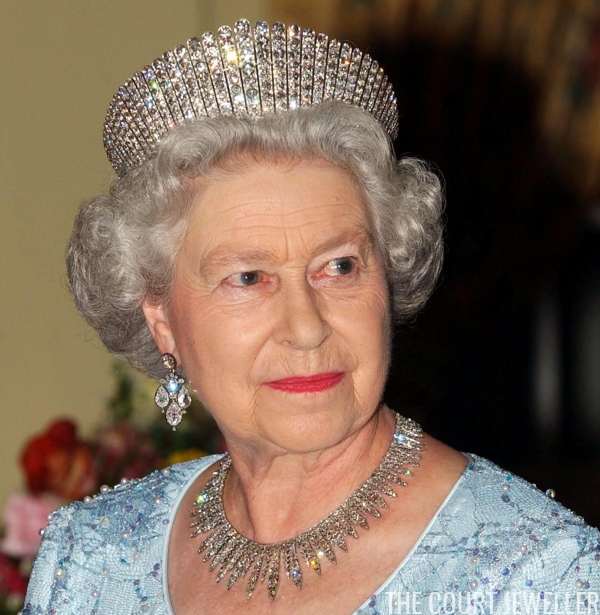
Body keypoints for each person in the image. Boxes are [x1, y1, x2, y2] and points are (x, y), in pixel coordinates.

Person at [23, 18, 599, 615]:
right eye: (248, 278)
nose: (307, 326)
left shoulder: (540, 576)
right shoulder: (89, 561)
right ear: (163, 320)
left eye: (341, 267)